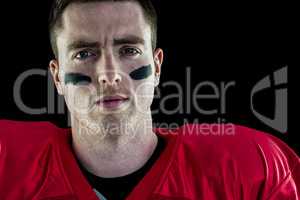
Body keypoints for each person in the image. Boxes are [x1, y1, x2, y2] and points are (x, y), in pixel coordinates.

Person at [0, 0, 299, 199]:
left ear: (156, 67)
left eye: (128, 50)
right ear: (56, 77)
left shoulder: (247, 169)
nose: (109, 74)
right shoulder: (8, 164)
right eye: (84, 53)